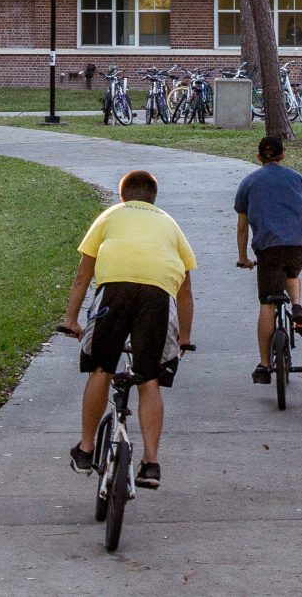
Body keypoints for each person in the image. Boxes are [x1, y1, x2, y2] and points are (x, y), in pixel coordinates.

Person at [59, 170, 194, 491]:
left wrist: (71, 319)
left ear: (123, 196)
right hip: (158, 296)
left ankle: (86, 449)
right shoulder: (169, 223)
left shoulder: (109, 216)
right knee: (149, 380)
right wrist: (185, 336)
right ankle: (150, 463)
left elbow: (83, 276)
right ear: (153, 198)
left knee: (101, 369)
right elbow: (185, 290)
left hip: (115, 291)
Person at [233, 134, 302, 384]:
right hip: (298, 247)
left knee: (267, 304)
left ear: (258, 157)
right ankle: (298, 307)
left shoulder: (248, 183)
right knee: (292, 272)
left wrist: (243, 258)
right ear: (282, 156)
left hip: (268, 250)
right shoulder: (298, 179)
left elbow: (242, 227)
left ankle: (263, 364)